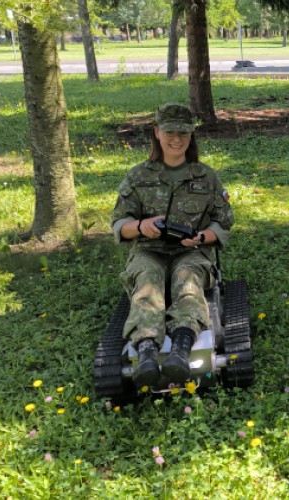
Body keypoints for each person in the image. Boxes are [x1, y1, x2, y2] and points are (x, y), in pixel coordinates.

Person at [111, 103, 234, 387]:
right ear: (156, 132)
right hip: (148, 250)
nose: (177, 139)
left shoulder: (206, 177)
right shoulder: (137, 176)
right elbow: (119, 224)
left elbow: (223, 222)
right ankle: (147, 353)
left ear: (191, 136)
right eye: (170, 132)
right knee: (146, 282)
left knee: (187, 281)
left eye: (184, 133)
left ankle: (181, 348)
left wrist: (203, 237)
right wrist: (141, 227)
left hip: (191, 252)